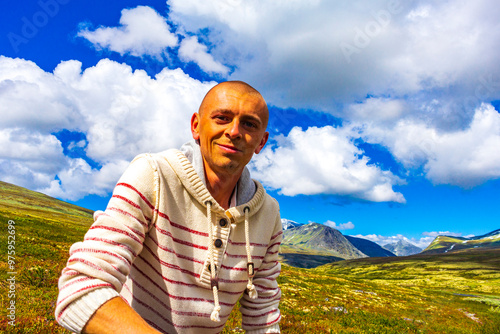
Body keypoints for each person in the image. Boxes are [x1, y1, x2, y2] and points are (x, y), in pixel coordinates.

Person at [55, 81, 283, 334]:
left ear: (261, 142)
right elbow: (80, 288)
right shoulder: (152, 175)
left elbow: (263, 313)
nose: (234, 131)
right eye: (222, 118)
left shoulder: (268, 214)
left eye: (249, 124)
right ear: (196, 126)